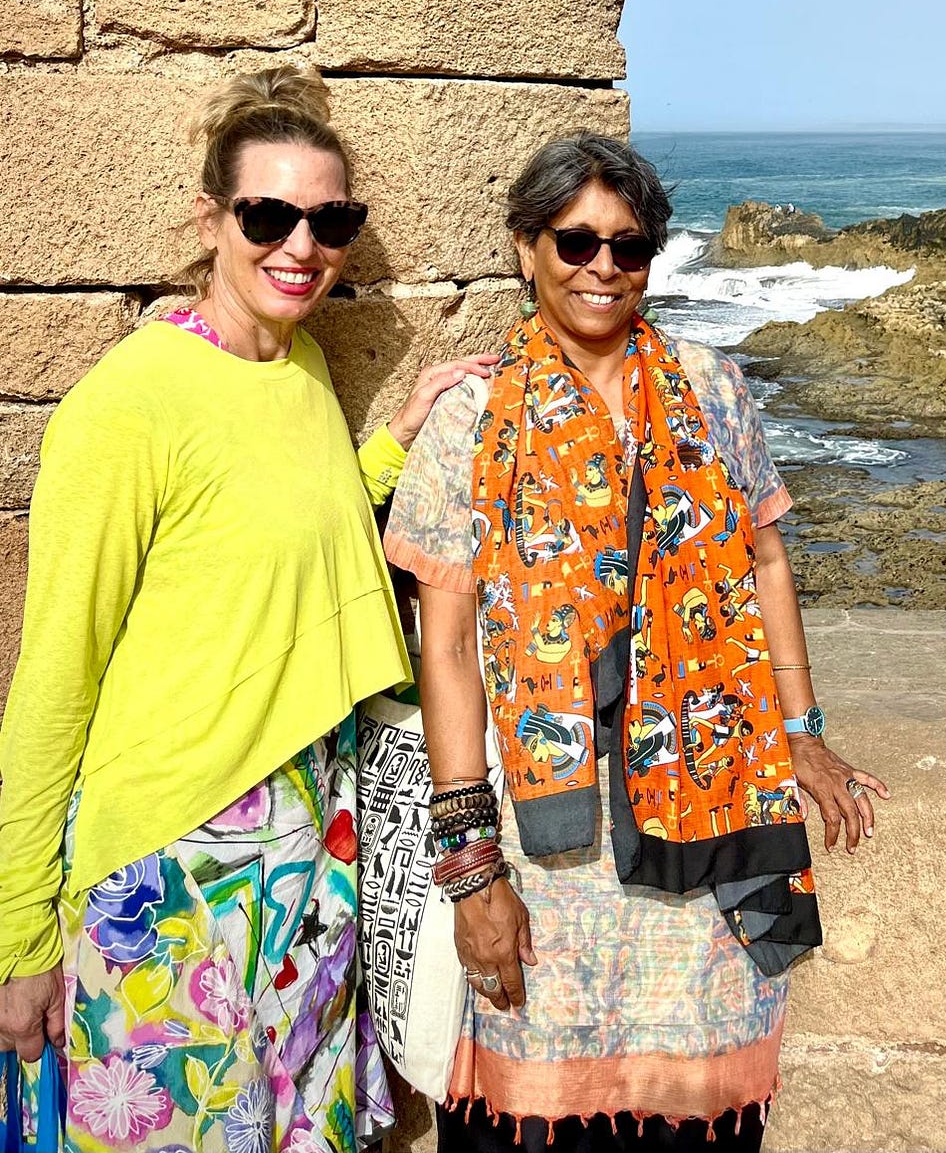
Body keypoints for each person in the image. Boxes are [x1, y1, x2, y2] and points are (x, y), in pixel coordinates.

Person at [0, 64, 494, 1150]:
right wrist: (20, 930)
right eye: (269, 214)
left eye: (330, 219)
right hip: (173, 868)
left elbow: (292, 533)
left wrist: (397, 438)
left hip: (313, 845)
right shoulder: (130, 401)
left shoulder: (307, 364)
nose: (301, 246)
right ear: (213, 216)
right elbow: (53, 676)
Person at [381, 133, 888, 1153]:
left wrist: (806, 729)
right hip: (541, 847)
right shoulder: (472, 419)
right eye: (575, 242)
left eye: (630, 244)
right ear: (527, 248)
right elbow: (446, 649)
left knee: (695, 1119)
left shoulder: (712, 388)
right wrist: (472, 867)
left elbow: (764, 564)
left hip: (703, 834)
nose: (602, 266)